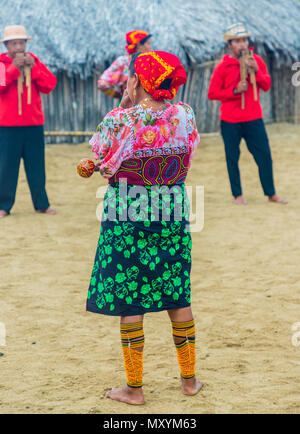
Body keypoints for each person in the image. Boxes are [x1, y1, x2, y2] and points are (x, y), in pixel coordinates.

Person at [86, 51, 202, 404]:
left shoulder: (119, 120)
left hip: (127, 214)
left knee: (130, 299)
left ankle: (134, 389)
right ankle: (189, 381)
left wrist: (123, 105)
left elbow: (100, 160)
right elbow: (189, 155)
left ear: (137, 81)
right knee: (178, 293)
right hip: (171, 209)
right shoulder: (185, 114)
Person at [207, 23, 287, 205]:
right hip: (230, 121)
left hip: (253, 118)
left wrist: (257, 72)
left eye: (244, 40)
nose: (242, 44)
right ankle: (237, 195)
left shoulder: (256, 61)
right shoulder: (223, 67)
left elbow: (266, 86)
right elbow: (212, 93)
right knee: (232, 158)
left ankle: (271, 193)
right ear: (230, 44)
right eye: (237, 41)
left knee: (264, 156)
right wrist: (234, 91)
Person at [0, 25, 57, 219]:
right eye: (14, 43)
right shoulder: (1, 63)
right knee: (6, 167)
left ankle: (42, 204)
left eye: (21, 42)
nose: (18, 46)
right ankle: (4, 206)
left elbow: (49, 85)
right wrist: (14, 68)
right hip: (7, 126)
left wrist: (34, 70)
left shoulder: (35, 61)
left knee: (37, 166)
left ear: (26, 44)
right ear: (6, 45)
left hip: (33, 124)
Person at [97, 30, 152, 99]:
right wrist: (119, 96)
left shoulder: (150, 61)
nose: (150, 48)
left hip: (151, 107)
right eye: (148, 44)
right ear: (138, 45)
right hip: (130, 107)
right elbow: (102, 84)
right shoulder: (122, 62)